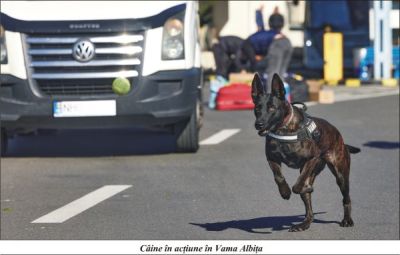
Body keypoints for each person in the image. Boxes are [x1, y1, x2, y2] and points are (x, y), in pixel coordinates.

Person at [241, 6, 293, 90]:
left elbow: (260, 25)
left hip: (278, 45)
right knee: (281, 73)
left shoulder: (249, 42)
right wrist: (260, 12)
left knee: (272, 73)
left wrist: (259, 12)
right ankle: (280, 96)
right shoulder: (271, 32)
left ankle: (271, 97)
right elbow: (261, 24)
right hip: (288, 43)